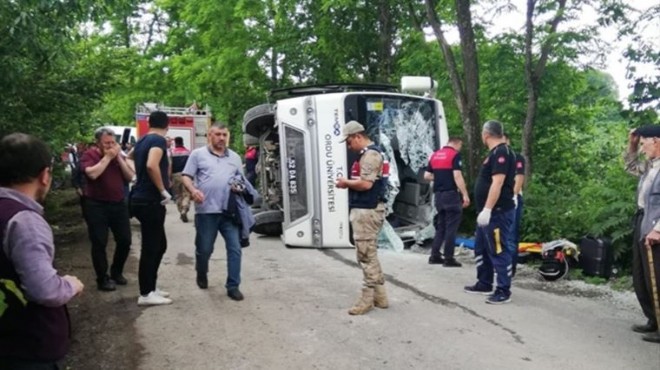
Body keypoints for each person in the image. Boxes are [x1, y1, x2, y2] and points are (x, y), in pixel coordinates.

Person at [0, 133, 84, 368]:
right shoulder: (24, 221)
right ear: (45, 175)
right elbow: (44, 290)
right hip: (25, 348)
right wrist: (70, 284)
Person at [182, 123, 247, 301]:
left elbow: (242, 181)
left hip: (229, 212)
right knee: (204, 249)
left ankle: (233, 286)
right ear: (209, 136)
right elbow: (186, 176)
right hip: (206, 212)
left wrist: (239, 187)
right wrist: (193, 190)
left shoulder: (234, 157)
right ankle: (201, 272)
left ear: (228, 137)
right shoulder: (197, 155)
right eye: (217, 134)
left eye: (224, 135)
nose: (221, 138)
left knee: (235, 249)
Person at [335, 120, 389, 315]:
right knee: (370, 253)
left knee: (365, 255)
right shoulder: (367, 154)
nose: (349, 147)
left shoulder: (370, 155)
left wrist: (345, 183)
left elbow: (366, 184)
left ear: (358, 136)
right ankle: (380, 297)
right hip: (366, 208)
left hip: (367, 210)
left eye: (349, 142)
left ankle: (367, 299)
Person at [464, 120, 516, 304]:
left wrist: (488, 209)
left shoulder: (502, 152)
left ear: (486, 134)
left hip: (497, 211)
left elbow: (498, 182)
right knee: (482, 247)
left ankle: (503, 289)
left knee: (498, 249)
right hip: (486, 212)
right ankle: (484, 282)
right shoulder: (494, 153)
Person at [80, 128, 134, 292]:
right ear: (98, 143)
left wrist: (118, 157)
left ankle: (116, 271)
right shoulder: (89, 155)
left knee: (125, 240)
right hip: (96, 205)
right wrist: (108, 158)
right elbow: (92, 174)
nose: (110, 146)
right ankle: (102, 278)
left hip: (117, 203)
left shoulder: (117, 156)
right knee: (99, 242)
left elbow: (130, 177)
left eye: (113, 142)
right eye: (106, 143)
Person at [130, 111, 173, 306]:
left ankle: (152, 287)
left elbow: (128, 157)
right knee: (151, 247)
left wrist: (134, 178)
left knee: (159, 245)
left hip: (140, 197)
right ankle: (146, 293)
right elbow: (151, 165)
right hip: (150, 200)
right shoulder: (158, 141)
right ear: (167, 124)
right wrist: (162, 190)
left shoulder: (142, 140)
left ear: (149, 123)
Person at [624, 125, 660, 343]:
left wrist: (658, 229)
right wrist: (632, 144)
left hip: (656, 227)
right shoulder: (651, 165)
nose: (643, 147)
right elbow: (630, 167)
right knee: (641, 274)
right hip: (642, 220)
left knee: (657, 276)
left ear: (657, 141)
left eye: (645, 142)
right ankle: (653, 318)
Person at [424, 136, 470, 267]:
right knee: (451, 227)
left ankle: (435, 255)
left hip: (438, 195)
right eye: (460, 146)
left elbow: (426, 176)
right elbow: (457, 175)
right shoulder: (454, 155)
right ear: (457, 143)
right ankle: (449, 258)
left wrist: (439, 178)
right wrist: (465, 194)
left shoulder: (435, 155)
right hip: (451, 194)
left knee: (441, 226)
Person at [504, 133, 526, 277]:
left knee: (511, 236)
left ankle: (510, 269)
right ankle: (500, 266)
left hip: (512, 199)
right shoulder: (494, 157)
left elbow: (519, 178)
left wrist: (514, 196)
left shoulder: (516, 157)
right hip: (498, 200)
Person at [171, 137, 192, 222]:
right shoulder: (188, 152)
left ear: (175, 143)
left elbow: (169, 165)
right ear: (182, 142)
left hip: (175, 175)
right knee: (186, 194)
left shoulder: (171, 152)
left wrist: (169, 177)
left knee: (178, 195)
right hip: (187, 175)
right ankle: (185, 209)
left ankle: (181, 210)